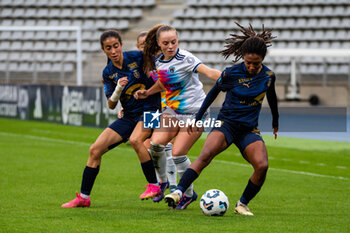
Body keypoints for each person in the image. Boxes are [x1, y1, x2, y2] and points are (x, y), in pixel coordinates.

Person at [164, 22, 279, 216]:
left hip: (248, 129)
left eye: (256, 63)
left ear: (263, 60)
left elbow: (272, 98)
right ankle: (178, 192)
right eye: (248, 62)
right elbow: (212, 94)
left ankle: (242, 204)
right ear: (243, 58)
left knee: (262, 166)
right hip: (226, 125)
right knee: (205, 155)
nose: (251, 66)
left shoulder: (268, 76)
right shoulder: (231, 73)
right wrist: (197, 118)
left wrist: (276, 122)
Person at [61, 30, 161, 208]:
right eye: (109, 48)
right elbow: (111, 105)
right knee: (95, 150)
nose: (113, 50)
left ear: (121, 45)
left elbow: (161, 59)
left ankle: (155, 186)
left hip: (151, 111)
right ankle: (84, 197)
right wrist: (118, 90)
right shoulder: (108, 72)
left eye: (116, 46)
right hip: (130, 116)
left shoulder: (138, 57)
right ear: (103, 50)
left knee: (136, 140)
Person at [134, 24, 221, 209]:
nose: (171, 46)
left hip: (195, 113)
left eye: (174, 42)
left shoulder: (186, 58)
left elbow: (210, 72)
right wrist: (148, 92)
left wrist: (230, 78)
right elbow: (164, 83)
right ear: (159, 43)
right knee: (155, 144)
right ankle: (163, 183)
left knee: (178, 153)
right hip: (172, 111)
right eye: (166, 43)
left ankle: (188, 194)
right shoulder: (159, 61)